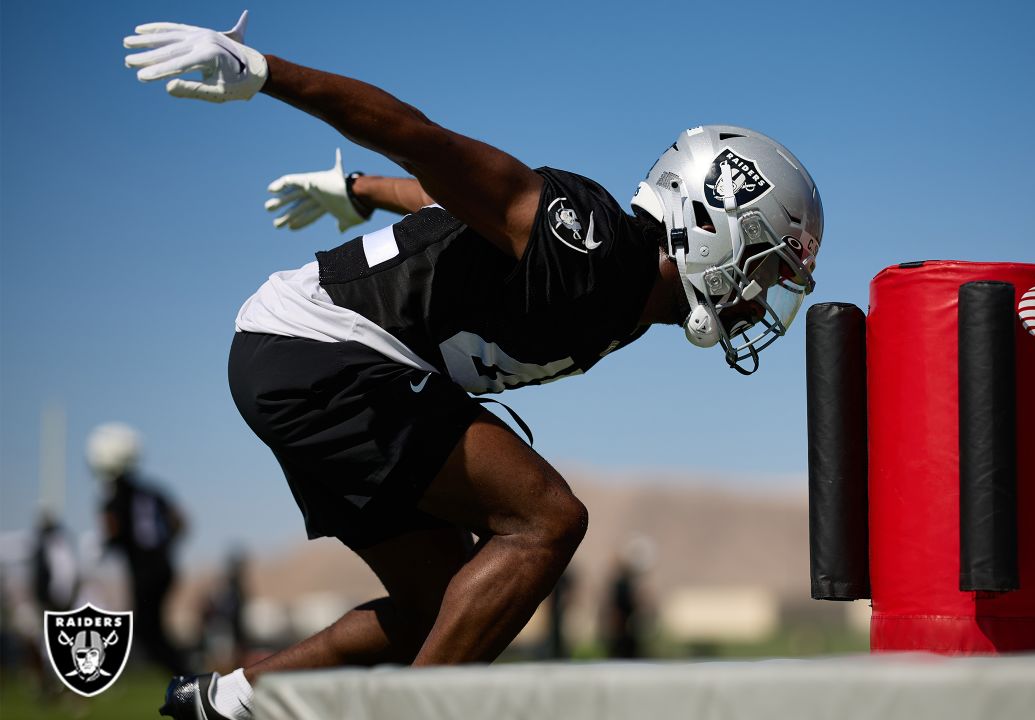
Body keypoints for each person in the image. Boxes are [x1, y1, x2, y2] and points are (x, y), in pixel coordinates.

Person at [123, 11, 823, 720]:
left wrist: (358, 191)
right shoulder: (594, 249)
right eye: (763, 266)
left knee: (448, 605)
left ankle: (228, 702)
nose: (760, 295)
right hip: (319, 348)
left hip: (299, 355)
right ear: (709, 224)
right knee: (546, 521)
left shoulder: (631, 297)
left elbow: (443, 197)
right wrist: (269, 73)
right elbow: (425, 142)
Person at [86, 422, 189, 677]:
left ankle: (186, 676)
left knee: (146, 630)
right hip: (165, 568)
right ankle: (183, 673)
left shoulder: (113, 497)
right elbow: (180, 522)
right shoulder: (154, 492)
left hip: (144, 573)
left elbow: (113, 531)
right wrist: (163, 546)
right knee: (152, 628)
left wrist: (105, 545)